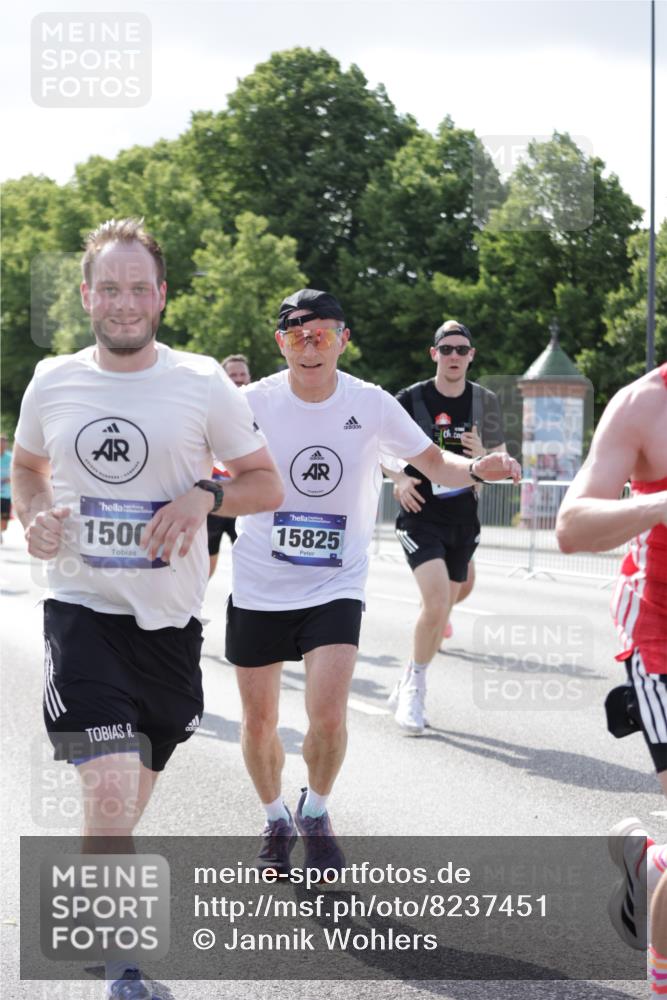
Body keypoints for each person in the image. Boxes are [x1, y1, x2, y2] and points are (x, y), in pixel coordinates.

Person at [11, 218, 283, 1000]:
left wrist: (206, 494)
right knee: (109, 788)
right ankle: (124, 968)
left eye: (139, 288)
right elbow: (28, 467)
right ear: (87, 295)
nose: (123, 302)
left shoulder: (203, 383)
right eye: (109, 287)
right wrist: (33, 513)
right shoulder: (52, 380)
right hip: (81, 612)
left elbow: (267, 483)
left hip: (169, 628)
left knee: (124, 803)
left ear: (160, 297)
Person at [226, 289, 520, 879]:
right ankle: (275, 815)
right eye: (297, 337)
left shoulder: (372, 402)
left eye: (324, 336)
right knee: (259, 723)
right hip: (260, 580)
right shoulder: (246, 403)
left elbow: (435, 463)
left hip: (336, 580)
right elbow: (189, 459)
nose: (311, 349)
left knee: (328, 716)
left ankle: (316, 811)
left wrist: (477, 469)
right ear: (279, 342)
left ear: (344, 339)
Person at [556, 363, 667, 959]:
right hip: (661, 637)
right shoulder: (643, 405)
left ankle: (648, 864)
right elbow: (571, 526)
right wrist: (660, 505)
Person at [383, 320, 507, 735]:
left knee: (441, 613)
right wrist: (399, 478)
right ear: (433, 353)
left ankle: (407, 677)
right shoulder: (412, 399)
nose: (454, 356)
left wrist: (484, 456)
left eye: (462, 349)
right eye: (446, 349)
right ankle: (415, 689)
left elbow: (501, 461)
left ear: (471, 355)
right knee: (436, 604)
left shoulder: (484, 402)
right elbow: (376, 447)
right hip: (421, 515)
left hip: (462, 520)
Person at [207, 354, 252, 577]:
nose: (238, 379)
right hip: (213, 500)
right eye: (232, 375)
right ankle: (193, 609)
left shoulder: (259, 409)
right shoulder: (208, 409)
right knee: (205, 563)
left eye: (242, 374)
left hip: (245, 500)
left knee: (250, 564)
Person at [1, 433, 12, 537]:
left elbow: (17, 473)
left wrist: (10, 479)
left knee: (4, 523)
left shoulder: (10, 457)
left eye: (4, 442)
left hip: (6, 493)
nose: (2, 445)